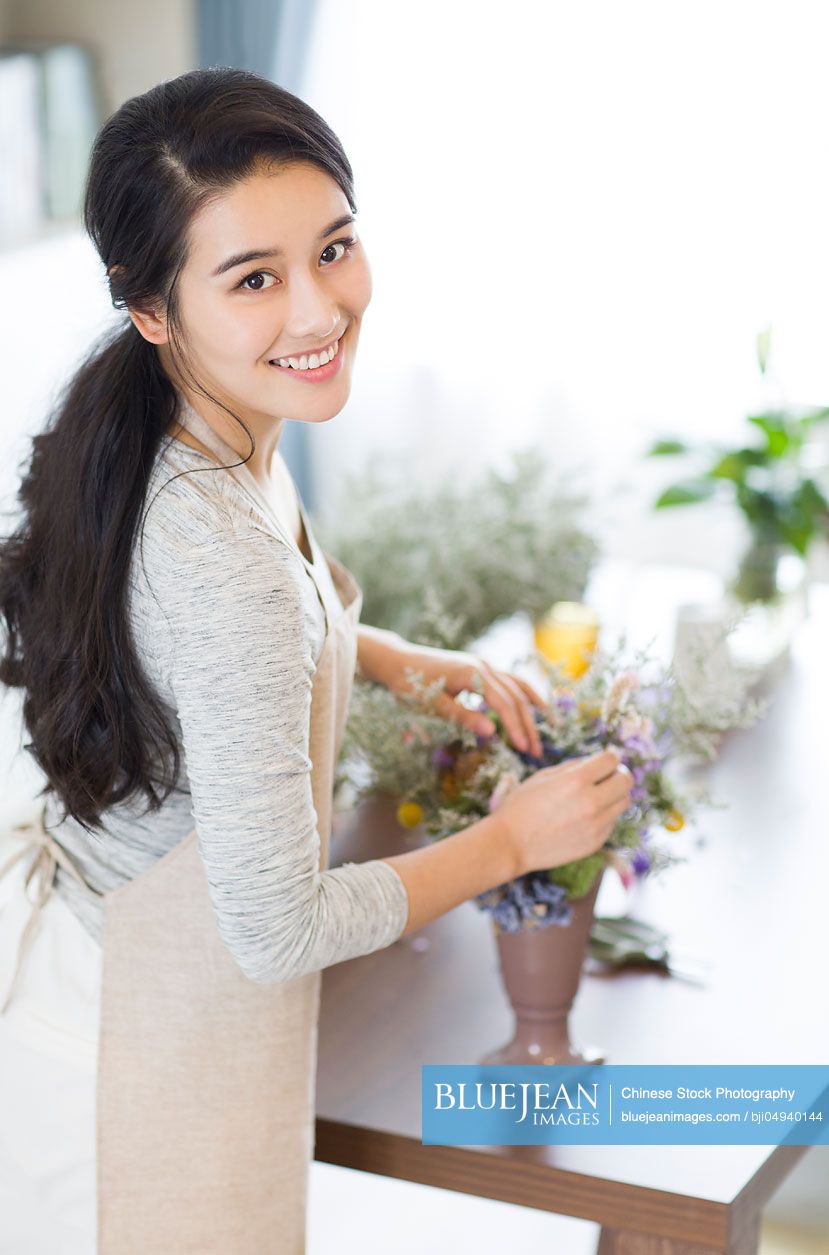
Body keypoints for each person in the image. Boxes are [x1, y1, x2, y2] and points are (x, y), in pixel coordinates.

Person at [0, 67, 632, 1254]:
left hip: (108, 994)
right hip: (140, 1066)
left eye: (333, 249)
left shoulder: (183, 421)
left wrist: (376, 652)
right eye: (254, 279)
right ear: (150, 308)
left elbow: (193, 626)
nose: (318, 311)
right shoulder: (218, 548)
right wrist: (512, 842)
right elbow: (277, 928)